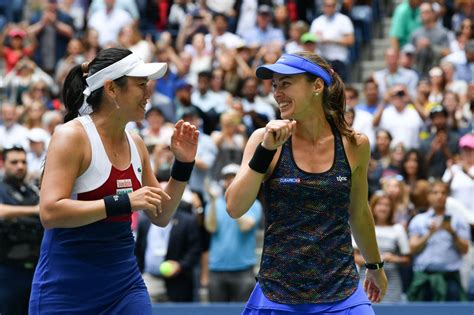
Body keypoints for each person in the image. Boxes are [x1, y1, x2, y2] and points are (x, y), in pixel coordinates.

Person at [29, 47, 199, 314]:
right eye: (141, 85)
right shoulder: (71, 136)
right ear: (111, 89)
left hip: (125, 286)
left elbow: (162, 214)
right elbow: (50, 212)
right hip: (66, 288)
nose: (148, 93)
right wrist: (123, 202)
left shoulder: (137, 143)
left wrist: (183, 165)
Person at [225, 51, 387, 314]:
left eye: (286, 83)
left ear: (317, 86)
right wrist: (265, 150)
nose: (277, 92)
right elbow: (234, 207)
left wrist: (375, 266)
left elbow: (359, 213)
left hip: (343, 292)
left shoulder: (356, 144)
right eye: (275, 85)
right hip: (278, 296)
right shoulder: (263, 140)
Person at [205, 163, 262, 302]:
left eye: (234, 177)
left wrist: (233, 204)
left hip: (243, 269)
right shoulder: (214, 203)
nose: (229, 181)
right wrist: (212, 202)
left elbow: (246, 226)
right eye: (227, 178)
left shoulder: (253, 203)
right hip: (217, 269)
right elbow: (211, 228)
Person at [407, 180, 470, 301]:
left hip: (450, 280)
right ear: (428, 196)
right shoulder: (419, 220)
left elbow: (465, 249)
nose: (439, 196)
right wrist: (429, 234)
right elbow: (413, 248)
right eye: (435, 193)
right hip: (424, 279)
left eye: (443, 193)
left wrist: (452, 232)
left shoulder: (458, 220)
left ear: (447, 196)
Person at [0, 146, 42, 315]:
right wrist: (34, 211)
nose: (20, 166)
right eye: (14, 162)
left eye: (23, 162)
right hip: (8, 269)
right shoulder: (1, 189)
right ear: (3, 164)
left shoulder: (31, 190)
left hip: (35, 268)